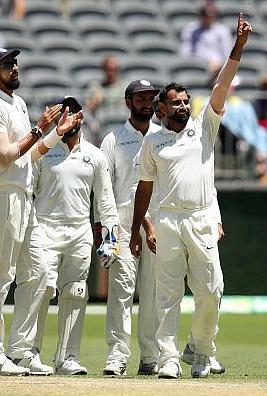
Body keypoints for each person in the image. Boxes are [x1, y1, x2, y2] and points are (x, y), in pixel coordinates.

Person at [129, 12, 251, 379]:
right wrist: (141, 228)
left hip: (200, 218)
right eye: (176, 102)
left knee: (212, 289)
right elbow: (144, 187)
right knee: (167, 294)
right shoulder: (152, 141)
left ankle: (200, 348)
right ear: (161, 108)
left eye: (186, 101)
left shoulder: (204, 127)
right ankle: (167, 357)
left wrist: (238, 47)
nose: (183, 106)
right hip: (166, 220)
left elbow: (222, 86)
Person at [0, 47, 82, 376]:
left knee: (38, 273)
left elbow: (29, 156)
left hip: (24, 195)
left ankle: (19, 351)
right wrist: (39, 128)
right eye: (8, 65)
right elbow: (6, 155)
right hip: (2, 193)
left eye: (15, 63)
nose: (15, 68)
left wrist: (56, 133)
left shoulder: (17, 103)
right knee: (2, 275)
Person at [32, 96, 118, 375]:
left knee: (76, 292)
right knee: (42, 288)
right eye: (63, 115)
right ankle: (30, 353)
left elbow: (105, 200)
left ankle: (67, 357)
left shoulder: (95, 155)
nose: (68, 120)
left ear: (81, 118)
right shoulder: (44, 150)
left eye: (73, 114)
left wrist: (111, 237)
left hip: (79, 230)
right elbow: (27, 191)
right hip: (45, 227)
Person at [97, 80, 161, 377]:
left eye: (150, 97)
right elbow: (104, 188)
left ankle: (150, 356)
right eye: (141, 98)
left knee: (152, 293)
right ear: (128, 102)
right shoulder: (113, 139)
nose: (147, 102)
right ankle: (117, 356)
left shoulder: (164, 137)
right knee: (121, 291)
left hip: (158, 225)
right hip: (122, 223)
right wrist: (107, 230)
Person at [179, 1, 233, 80]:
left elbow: (227, 53)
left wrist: (219, 65)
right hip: (196, 65)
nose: (207, 17)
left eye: (210, 15)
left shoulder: (222, 30)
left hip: (217, 67)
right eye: (204, 14)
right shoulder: (191, 29)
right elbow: (185, 51)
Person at [84, 56, 128, 145]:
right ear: (104, 70)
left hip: (123, 128)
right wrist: (95, 101)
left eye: (114, 69)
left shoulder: (125, 87)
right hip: (101, 129)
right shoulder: (96, 86)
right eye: (109, 69)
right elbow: (86, 109)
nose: (111, 72)